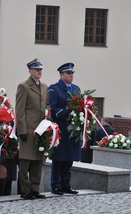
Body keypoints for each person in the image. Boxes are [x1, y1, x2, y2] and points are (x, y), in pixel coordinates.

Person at [15, 58, 47, 200]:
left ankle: (35, 189)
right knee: (25, 161)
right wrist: (21, 130)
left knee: (38, 160)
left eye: (40, 69)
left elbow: (46, 107)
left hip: (41, 130)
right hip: (28, 129)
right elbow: (19, 110)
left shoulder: (44, 86)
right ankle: (24, 190)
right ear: (30, 71)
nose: (39, 72)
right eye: (36, 69)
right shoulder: (24, 86)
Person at [48, 62, 81, 195]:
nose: (71, 75)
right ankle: (56, 185)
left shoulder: (76, 89)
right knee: (59, 159)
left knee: (69, 159)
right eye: (68, 73)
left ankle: (66, 185)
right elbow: (53, 108)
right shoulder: (54, 88)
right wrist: (69, 114)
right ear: (61, 75)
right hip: (60, 128)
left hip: (72, 129)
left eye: (72, 73)